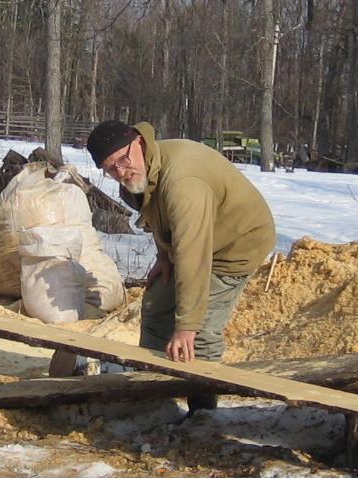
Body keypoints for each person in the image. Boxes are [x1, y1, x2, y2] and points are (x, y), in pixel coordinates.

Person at [86, 120, 276, 412]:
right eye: (111, 169)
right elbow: (159, 216)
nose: (121, 172)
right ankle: (153, 396)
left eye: (124, 160)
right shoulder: (143, 173)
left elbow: (193, 254)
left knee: (199, 333)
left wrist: (187, 325)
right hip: (195, 239)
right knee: (156, 307)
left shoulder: (184, 183)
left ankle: (203, 413)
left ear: (138, 141)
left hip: (237, 243)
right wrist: (164, 257)